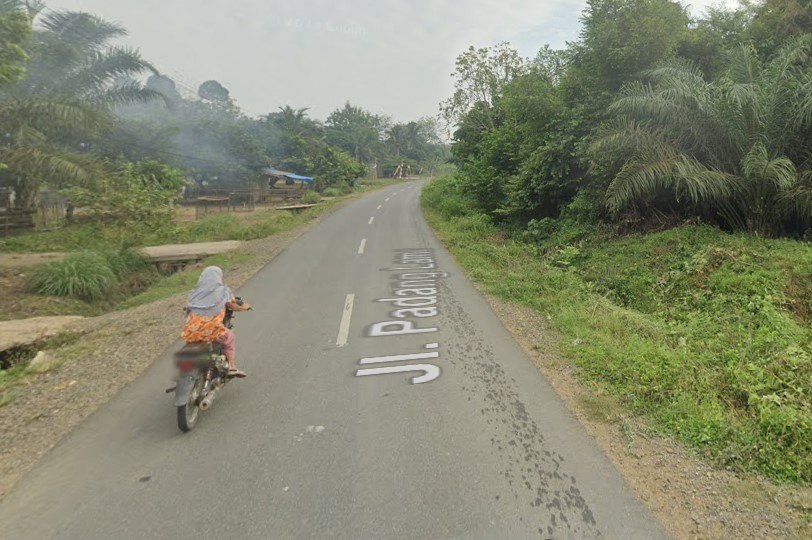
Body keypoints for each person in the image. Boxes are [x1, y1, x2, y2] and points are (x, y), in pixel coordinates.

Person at [182, 266, 251, 378]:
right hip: (212, 331)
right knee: (230, 337)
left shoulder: (194, 293)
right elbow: (232, 305)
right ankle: (232, 367)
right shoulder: (223, 291)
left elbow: (187, 308)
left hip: (191, 332)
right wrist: (245, 307)